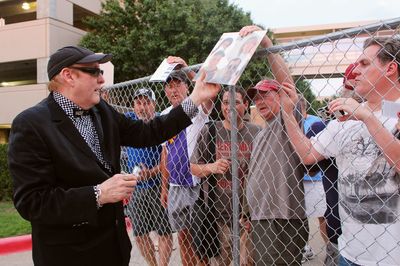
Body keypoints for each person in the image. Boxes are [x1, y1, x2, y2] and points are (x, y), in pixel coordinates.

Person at [7, 46, 220, 266]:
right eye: (94, 72)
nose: (102, 80)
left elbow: (150, 132)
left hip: (113, 251)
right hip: (68, 256)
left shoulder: (103, 111)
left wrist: (196, 98)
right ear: (68, 75)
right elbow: (32, 202)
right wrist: (99, 193)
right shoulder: (31, 124)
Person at [280, 37, 400, 265]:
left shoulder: (381, 113)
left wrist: (367, 117)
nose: (355, 71)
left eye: (364, 64)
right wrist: (287, 112)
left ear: (390, 68)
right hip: (349, 252)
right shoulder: (348, 115)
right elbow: (308, 154)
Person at [241, 25, 309, 265]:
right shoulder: (261, 133)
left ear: (281, 96)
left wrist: (268, 44)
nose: (259, 101)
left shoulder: (287, 120)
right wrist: (248, 212)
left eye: (265, 94)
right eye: (255, 97)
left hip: (283, 216)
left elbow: (287, 83)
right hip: (261, 218)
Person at [190, 86, 261, 265]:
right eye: (225, 102)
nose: (229, 107)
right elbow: (192, 167)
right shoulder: (210, 132)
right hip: (218, 215)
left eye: (235, 102)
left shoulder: (256, 133)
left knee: (248, 262)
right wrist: (211, 167)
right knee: (220, 262)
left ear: (245, 104)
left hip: (248, 215)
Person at [160, 56, 214, 266]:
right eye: (169, 86)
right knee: (182, 237)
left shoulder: (197, 109)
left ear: (186, 86)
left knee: (200, 238)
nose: (173, 90)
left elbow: (208, 93)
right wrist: (164, 188)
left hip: (197, 183)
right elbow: (165, 153)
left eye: (178, 84)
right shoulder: (164, 115)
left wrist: (187, 69)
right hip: (176, 185)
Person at [122, 88, 173, 266]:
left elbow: (168, 155)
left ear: (154, 104)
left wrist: (151, 172)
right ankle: (153, 264)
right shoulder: (128, 121)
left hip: (159, 185)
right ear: (133, 105)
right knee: (140, 233)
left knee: (164, 231)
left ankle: (163, 265)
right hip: (136, 187)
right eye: (138, 103)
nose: (142, 107)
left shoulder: (161, 122)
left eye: (146, 102)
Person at [298, 96, 328, 263]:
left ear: (303, 107)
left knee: (322, 215)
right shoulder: (290, 123)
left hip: (316, 179)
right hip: (298, 177)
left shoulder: (316, 122)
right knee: (300, 216)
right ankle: (304, 247)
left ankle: (329, 247)